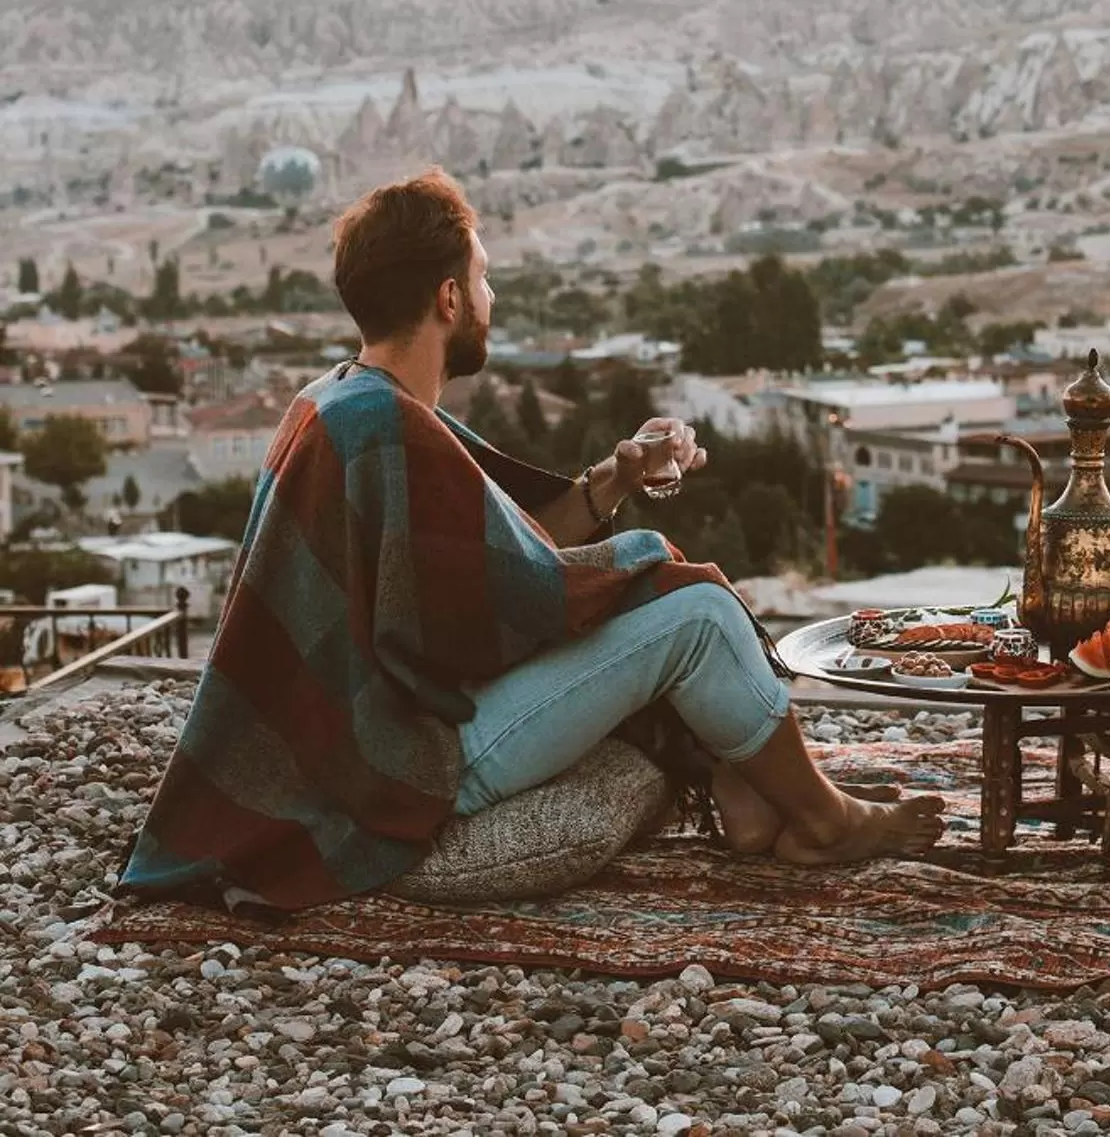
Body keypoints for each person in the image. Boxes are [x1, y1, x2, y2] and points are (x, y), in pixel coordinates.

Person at [120, 168, 940, 911]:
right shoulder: (386, 425)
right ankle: (825, 822)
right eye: (483, 278)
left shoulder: (340, 398)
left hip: (373, 738)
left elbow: (495, 550)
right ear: (448, 298)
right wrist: (642, 559)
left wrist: (615, 478)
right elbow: (524, 592)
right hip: (407, 762)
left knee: (661, 596)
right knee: (697, 614)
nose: (493, 295)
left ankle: (751, 786)